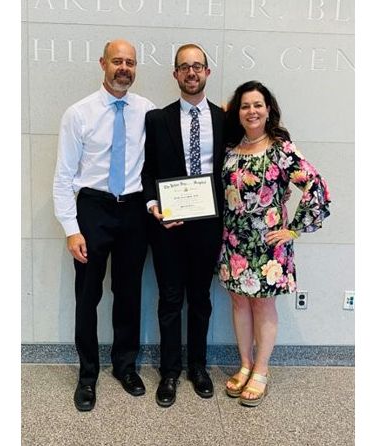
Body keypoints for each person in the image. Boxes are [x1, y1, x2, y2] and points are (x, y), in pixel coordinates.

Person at [53, 39, 155, 412]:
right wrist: (71, 228)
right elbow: (64, 177)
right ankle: (87, 375)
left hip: (133, 211)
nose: (123, 67)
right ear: (102, 64)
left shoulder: (147, 111)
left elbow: (157, 165)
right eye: (117, 61)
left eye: (130, 62)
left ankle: (125, 366)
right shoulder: (78, 114)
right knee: (88, 295)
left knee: (129, 292)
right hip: (92, 210)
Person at [218, 80, 331, 407]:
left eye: (258, 105)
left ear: (268, 110)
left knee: (263, 305)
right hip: (234, 241)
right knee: (239, 303)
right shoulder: (230, 148)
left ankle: (262, 370)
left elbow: (315, 186)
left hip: (268, 244)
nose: (251, 111)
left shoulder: (282, 149)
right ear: (237, 113)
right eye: (245, 106)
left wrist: (293, 229)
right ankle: (244, 364)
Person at [141, 44, 225, 407]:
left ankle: (198, 367)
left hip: (208, 224)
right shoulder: (157, 119)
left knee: (202, 298)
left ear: (208, 72)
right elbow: (146, 172)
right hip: (169, 226)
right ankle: (170, 372)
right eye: (184, 67)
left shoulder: (226, 119)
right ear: (175, 74)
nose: (191, 73)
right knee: (171, 299)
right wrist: (153, 205)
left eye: (198, 66)